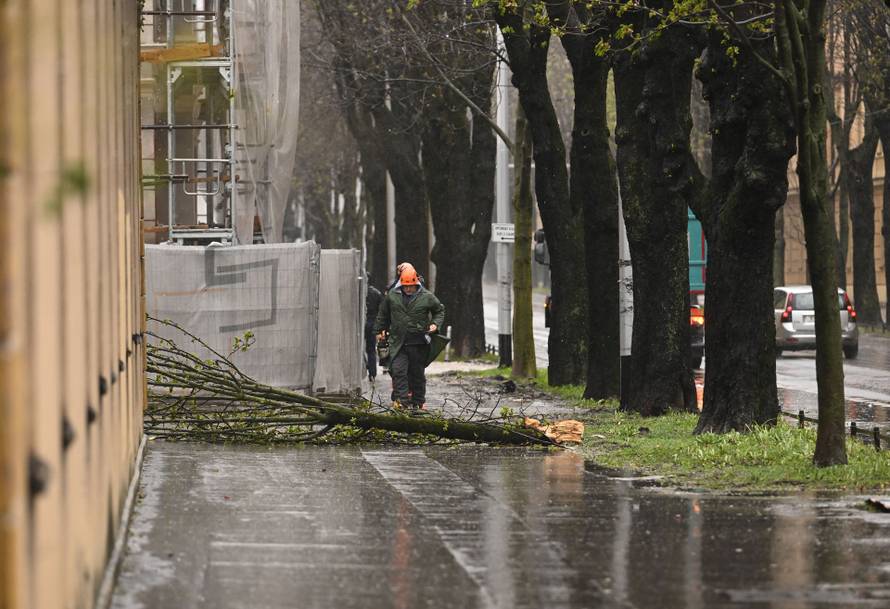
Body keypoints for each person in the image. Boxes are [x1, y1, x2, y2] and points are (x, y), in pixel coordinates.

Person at [374, 264, 444, 413]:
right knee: (398, 371)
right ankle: (401, 402)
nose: (408, 289)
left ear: (416, 283)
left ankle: (418, 402)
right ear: (401, 283)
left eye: (411, 286)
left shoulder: (426, 296)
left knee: (417, 374)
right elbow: (383, 314)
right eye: (406, 286)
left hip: (418, 343)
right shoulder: (392, 296)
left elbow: (439, 310)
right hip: (398, 342)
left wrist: (435, 325)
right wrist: (380, 330)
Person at [365, 284, 383, 382]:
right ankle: (372, 373)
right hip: (372, 322)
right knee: (371, 350)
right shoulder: (376, 293)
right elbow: (381, 311)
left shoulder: (360, 291)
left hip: (363, 321)